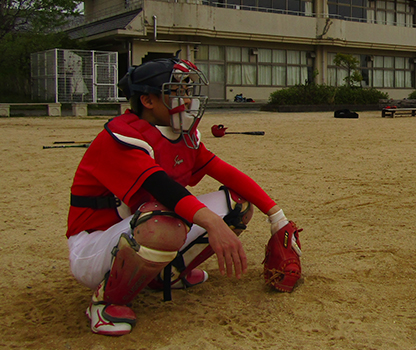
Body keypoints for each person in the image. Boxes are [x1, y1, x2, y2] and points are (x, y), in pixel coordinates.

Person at [67, 57, 297, 336]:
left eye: (188, 92)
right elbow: (163, 187)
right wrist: (213, 224)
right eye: (177, 92)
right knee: (163, 221)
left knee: (237, 204)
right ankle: (106, 301)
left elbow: (225, 172)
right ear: (148, 100)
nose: (187, 100)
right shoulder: (123, 134)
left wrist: (277, 216)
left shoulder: (181, 134)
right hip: (94, 245)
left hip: (131, 229)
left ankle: (166, 274)